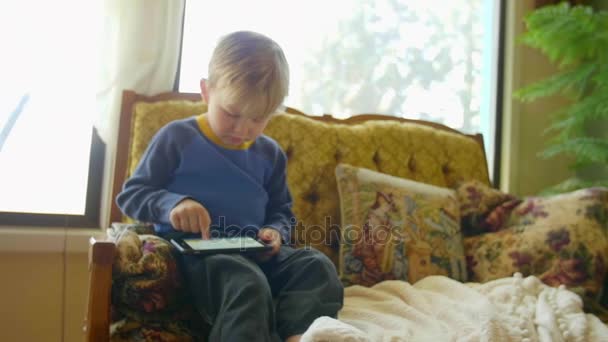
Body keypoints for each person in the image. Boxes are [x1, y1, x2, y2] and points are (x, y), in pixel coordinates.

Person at [116, 31, 344, 342]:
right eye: (232, 114)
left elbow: (281, 211)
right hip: (198, 254)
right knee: (246, 284)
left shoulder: (270, 153)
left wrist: (276, 232)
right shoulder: (177, 138)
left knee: (317, 266)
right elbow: (132, 195)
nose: (242, 129)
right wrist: (174, 205)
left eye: (258, 119)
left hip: (254, 250)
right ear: (206, 92)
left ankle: (296, 335)